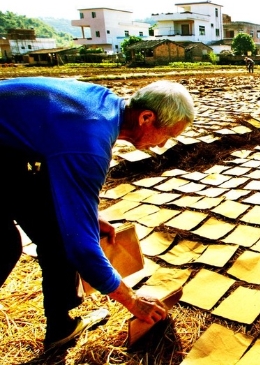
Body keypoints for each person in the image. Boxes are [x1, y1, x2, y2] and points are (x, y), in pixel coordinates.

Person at [0, 77, 195, 350]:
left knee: (55, 234)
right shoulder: (89, 143)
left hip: (11, 154)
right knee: (4, 246)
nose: (163, 145)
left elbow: (60, 168)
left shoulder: (104, 105)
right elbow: (82, 247)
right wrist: (132, 300)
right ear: (146, 118)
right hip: (7, 154)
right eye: (168, 135)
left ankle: (61, 326)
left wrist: (89, 216)